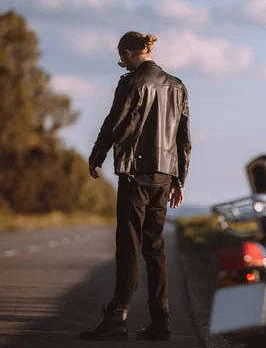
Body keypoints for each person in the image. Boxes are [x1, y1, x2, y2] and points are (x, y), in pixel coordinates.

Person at [79, 31, 192, 341]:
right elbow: (183, 138)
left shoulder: (131, 82)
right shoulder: (178, 86)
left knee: (129, 248)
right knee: (155, 250)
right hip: (164, 175)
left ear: (128, 53)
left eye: (122, 60)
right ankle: (161, 322)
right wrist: (180, 179)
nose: (123, 65)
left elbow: (115, 122)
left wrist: (97, 155)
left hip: (134, 173)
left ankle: (117, 319)